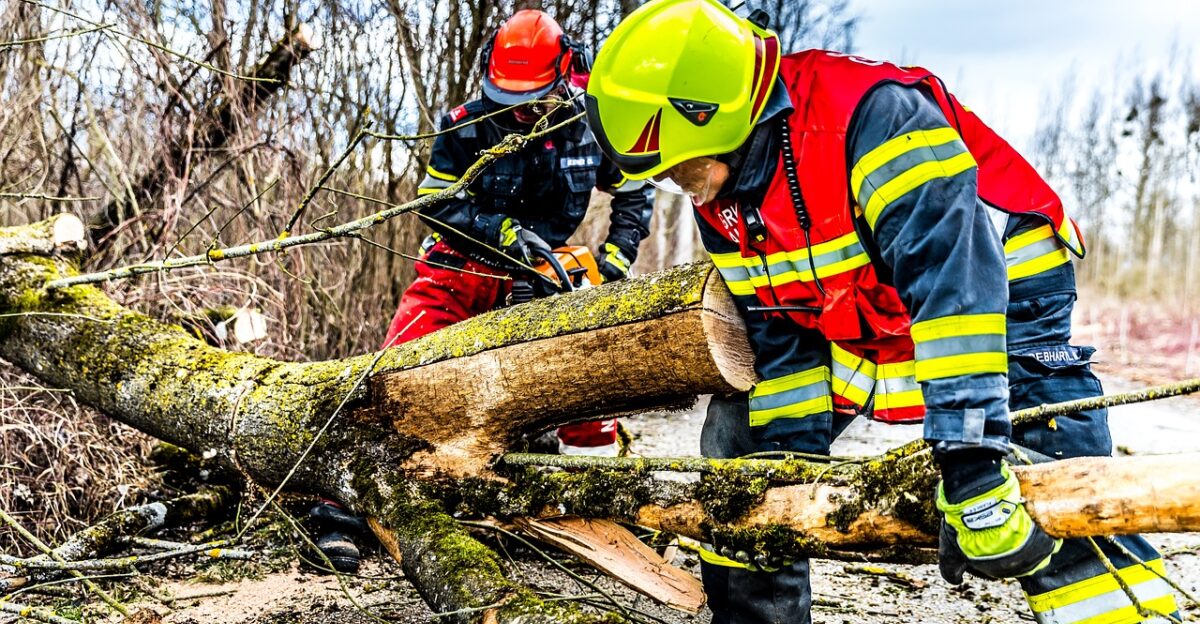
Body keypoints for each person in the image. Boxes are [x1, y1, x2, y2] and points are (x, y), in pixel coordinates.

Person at [583, 1, 1179, 622]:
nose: (683, 186)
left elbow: (956, 293)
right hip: (866, 311)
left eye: (684, 167)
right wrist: (785, 472)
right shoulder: (728, 197)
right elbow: (779, 334)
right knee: (744, 450)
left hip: (995, 299)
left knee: (1049, 477)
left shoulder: (875, 121)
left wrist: (970, 464)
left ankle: (1124, 611)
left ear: (717, 119)